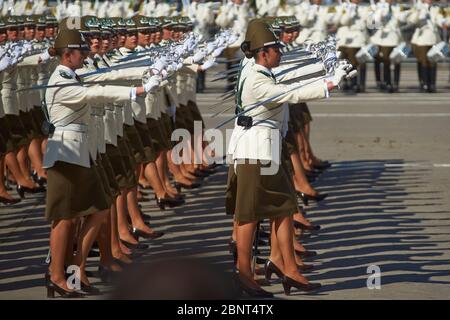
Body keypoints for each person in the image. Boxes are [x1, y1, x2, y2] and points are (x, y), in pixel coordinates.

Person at [226, 20, 347, 296]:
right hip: (254, 153)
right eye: (276, 48)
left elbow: (293, 74)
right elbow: (289, 93)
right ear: (263, 52)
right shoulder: (257, 78)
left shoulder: (261, 68)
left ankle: (287, 267)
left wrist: (321, 69)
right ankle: (244, 274)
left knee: (283, 208)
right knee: (249, 215)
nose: (281, 52)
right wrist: (327, 84)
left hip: (265, 151)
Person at [43, 28, 155, 298]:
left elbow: (106, 76)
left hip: (80, 153)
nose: (85, 54)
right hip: (65, 155)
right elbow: (92, 94)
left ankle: (74, 263)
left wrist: (145, 71)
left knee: (98, 208)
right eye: (80, 51)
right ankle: (57, 275)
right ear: (67, 54)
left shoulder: (72, 74)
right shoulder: (60, 80)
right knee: (65, 218)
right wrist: (136, 92)